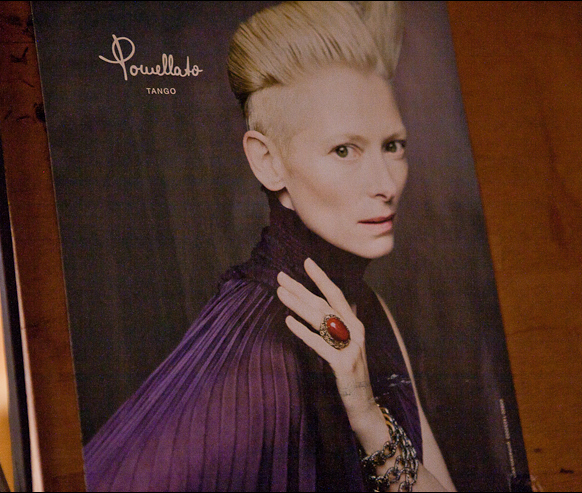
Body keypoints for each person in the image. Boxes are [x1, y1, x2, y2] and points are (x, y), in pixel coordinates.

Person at [83, 2, 455, 491]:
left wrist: (366, 414)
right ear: (267, 161)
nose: (385, 184)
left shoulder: (365, 309)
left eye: (393, 145)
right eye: (344, 150)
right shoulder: (261, 355)